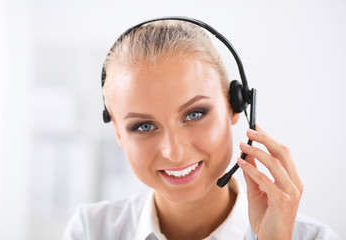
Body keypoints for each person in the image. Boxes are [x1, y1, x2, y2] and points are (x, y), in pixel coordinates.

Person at [63, 19, 338, 240]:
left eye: (195, 114)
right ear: (119, 134)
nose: (174, 152)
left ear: (235, 106)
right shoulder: (90, 231)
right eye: (143, 126)